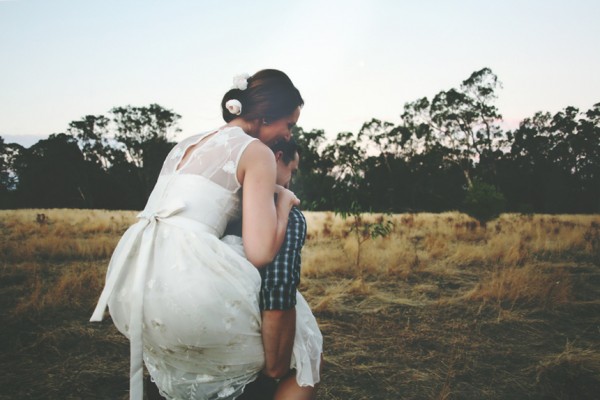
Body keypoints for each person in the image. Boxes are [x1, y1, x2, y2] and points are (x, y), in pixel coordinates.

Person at [90, 70, 322, 400]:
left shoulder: (185, 144)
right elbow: (260, 252)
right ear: (266, 115)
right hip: (193, 276)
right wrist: (283, 204)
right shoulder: (256, 152)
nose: (288, 135)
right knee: (305, 348)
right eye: (289, 124)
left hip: (136, 278)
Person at [229, 139, 321, 400]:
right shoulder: (278, 209)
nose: (291, 179)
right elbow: (278, 288)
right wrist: (275, 365)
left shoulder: (229, 196)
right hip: (245, 319)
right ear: (278, 156)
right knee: (311, 359)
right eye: (292, 169)